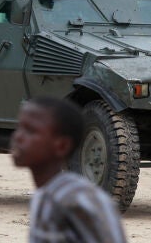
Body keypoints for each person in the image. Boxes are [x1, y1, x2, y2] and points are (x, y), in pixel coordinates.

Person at [11, 97, 127, 243]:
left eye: (31, 131)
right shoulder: (43, 197)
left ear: (62, 146)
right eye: (19, 128)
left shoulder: (79, 200)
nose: (18, 137)